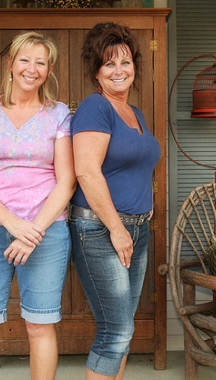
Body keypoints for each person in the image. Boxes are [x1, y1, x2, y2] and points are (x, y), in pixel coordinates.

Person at [0, 31, 75, 380]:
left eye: (41, 62)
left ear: (49, 70)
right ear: (10, 64)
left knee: (40, 326)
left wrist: (32, 231)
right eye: (25, 59)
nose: (32, 68)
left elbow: (66, 181)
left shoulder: (59, 114)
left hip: (45, 232)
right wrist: (13, 224)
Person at [69, 22, 161, 380]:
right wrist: (118, 228)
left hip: (134, 228)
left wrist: (144, 207)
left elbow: (137, 164)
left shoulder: (134, 113)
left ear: (135, 66)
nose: (119, 70)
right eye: (109, 64)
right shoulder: (96, 108)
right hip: (101, 229)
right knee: (116, 331)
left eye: (125, 62)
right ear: (96, 71)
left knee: (121, 329)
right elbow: (87, 173)